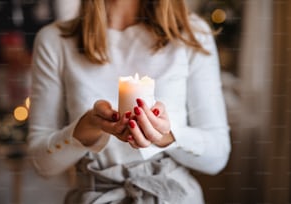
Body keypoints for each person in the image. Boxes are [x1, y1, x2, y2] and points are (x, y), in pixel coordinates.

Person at [28, 0, 231, 203]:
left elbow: (217, 156)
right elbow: (42, 164)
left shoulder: (192, 33)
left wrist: (168, 136)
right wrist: (86, 130)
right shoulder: (55, 40)